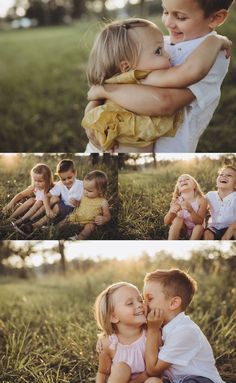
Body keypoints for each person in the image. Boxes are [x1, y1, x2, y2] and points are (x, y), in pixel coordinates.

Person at [86, 0, 233, 153]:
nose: (168, 23)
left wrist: (215, 41)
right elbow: (104, 83)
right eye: (165, 12)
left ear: (216, 18)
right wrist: (90, 116)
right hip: (111, 146)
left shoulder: (212, 56)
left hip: (169, 148)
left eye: (181, 17)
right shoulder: (161, 43)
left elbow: (166, 102)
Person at [143, 268, 231, 383]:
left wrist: (152, 330)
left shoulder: (184, 331)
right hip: (175, 381)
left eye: (149, 299)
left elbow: (153, 369)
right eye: (143, 298)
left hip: (201, 381)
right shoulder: (161, 326)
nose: (144, 304)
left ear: (173, 303)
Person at [94, 281, 162, 383]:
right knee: (121, 368)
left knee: (154, 382)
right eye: (130, 303)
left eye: (140, 300)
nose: (140, 304)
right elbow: (102, 372)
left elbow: (155, 371)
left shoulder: (152, 334)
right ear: (114, 316)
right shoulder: (108, 343)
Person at [13, 159, 83, 236]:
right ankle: (32, 225)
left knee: (57, 207)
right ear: (59, 177)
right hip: (62, 207)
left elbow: (88, 200)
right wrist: (48, 209)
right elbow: (46, 196)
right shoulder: (60, 185)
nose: (66, 181)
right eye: (63, 179)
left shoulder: (81, 185)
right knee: (55, 204)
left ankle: (35, 226)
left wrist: (78, 203)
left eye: (69, 178)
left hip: (75, 210)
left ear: (75, 173)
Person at [3, 163, 54, 231]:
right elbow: (21, 195)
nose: (37, 183)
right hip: (31, 210)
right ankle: (10, 218)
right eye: (35, 180)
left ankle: (20, 221)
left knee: (39, 202)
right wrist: (10, 204)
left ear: (48, 179)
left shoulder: (52, 189)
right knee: (32, 200)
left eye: (40, 181)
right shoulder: (34, 188)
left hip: (41, 213)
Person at [67, 170, 111, 240]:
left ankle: (79, 238)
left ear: (100, 190)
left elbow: (108, 215)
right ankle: (55, 227)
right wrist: (76, 202)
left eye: (89, 191)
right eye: (84, 188)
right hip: (77, 217)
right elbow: (80, 204)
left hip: (90, 221)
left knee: (90, 227)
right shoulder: (83, 195)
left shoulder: (103, 202)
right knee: (66, 220)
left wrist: (104, 219)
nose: (85, 192)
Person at [164, 174, 207, 240]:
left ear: (194, 185)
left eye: (187, 179)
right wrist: (171, 211)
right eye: (180, 181)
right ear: (178, 189)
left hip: (196, 230)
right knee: (178, 219)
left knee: (199, 227)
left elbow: (200, 222)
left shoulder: (201, 200)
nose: (183, 180)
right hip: (183, 229)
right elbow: (166, 222)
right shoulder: (176, 201)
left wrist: (191, 210)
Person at [204, 165, 236, 240]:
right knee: (207, 233)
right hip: (214, 228)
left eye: (229, 175)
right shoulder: (210, 195)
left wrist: (229, 232)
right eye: (221, 174)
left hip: (232, 227)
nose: (224, 176)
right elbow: (200, 207)